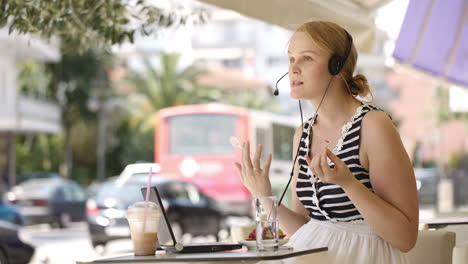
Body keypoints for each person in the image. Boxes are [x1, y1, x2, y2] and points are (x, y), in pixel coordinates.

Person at [234, 21, 418, 264]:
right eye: (291, 59)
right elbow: (306, 229)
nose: (293, 69)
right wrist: (264, 195)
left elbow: (405, 238)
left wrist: (349, 184)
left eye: (306, 58)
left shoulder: (373, 125)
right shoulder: (302, 133)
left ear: (337, 66)